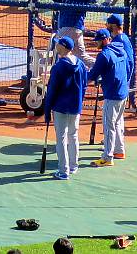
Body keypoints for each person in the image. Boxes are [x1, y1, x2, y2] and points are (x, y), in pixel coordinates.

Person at [51, 0, 127, 67]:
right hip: (69, 28)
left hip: (72, 26)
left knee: (56, 49)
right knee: (80, 55)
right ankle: (101, 68)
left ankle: (53, 74)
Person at [43, 36, 88, 180]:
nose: (55, 47)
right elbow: (85, 85)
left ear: (62, 47)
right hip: (75, 107)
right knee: (73, 136)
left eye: (57, 45)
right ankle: (74, 166)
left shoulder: (58, 67)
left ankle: (63, 171)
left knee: (61, 138)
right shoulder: (80, 64)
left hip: (60, 107)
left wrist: (47, 109)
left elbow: (52, 90)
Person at [88, 29, 129, 166]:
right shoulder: (120, 49)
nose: (97, 43)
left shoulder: (104, 55)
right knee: (117, 123)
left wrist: (80, 80)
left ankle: (107, 157)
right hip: (123, 93)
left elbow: (92, 74)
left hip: (112, 95)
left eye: (99, 40)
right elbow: (119, 69)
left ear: (105, 39)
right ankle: (119, 150)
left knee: (108, 126)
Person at [106, 14, 134, 104]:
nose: (106, 25)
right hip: (122, 83)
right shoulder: (123, 38)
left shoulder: (118, 41)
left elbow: (128, 63)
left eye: (108, 23)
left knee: (111, 117)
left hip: (118, 84)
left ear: (113, 26)